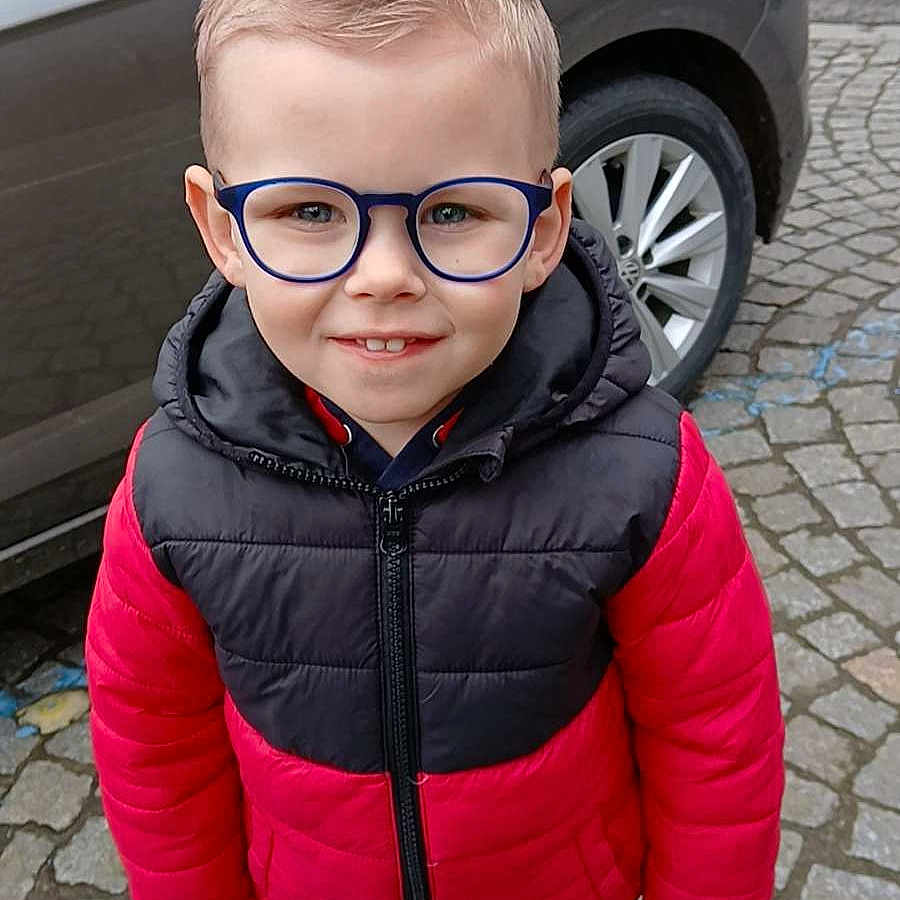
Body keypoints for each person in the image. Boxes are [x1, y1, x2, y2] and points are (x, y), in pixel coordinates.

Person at [85, 2, 785, 899]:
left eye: (452, 211)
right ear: (222, 230)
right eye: (309, 210)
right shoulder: (171, 493)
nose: (383, 276)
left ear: (542, 228)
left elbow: (718, 746)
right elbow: (156, 754)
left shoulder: (644, 478)